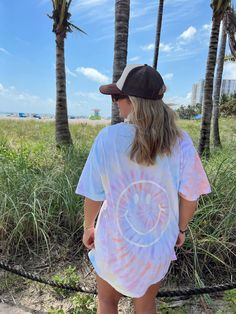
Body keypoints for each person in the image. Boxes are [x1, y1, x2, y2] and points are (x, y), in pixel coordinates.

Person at [75, 64, 211, 314]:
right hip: (157, 243)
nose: (115, 102)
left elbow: (94, 194)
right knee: (146, 304)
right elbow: (191, 198)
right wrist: (180, 229)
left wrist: (88, 227)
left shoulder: (108, 138)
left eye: (117, 96)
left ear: (133, 101)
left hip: (113, 241)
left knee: (106, 302)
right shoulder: (180, 142)